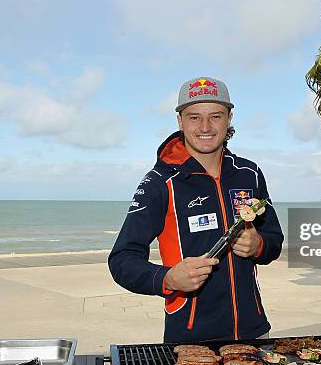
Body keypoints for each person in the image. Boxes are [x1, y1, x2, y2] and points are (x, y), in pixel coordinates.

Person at [108, 76, 284, 343]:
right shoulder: (159, 182)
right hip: (191, 340)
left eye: (215, 116)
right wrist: (167, 277)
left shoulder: (250, 173)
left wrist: (258, 244)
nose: (205, 126)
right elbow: (122, 259)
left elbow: (274, 241)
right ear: (180, 121)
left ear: (229, 118)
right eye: (194, 117)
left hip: (255, 332)